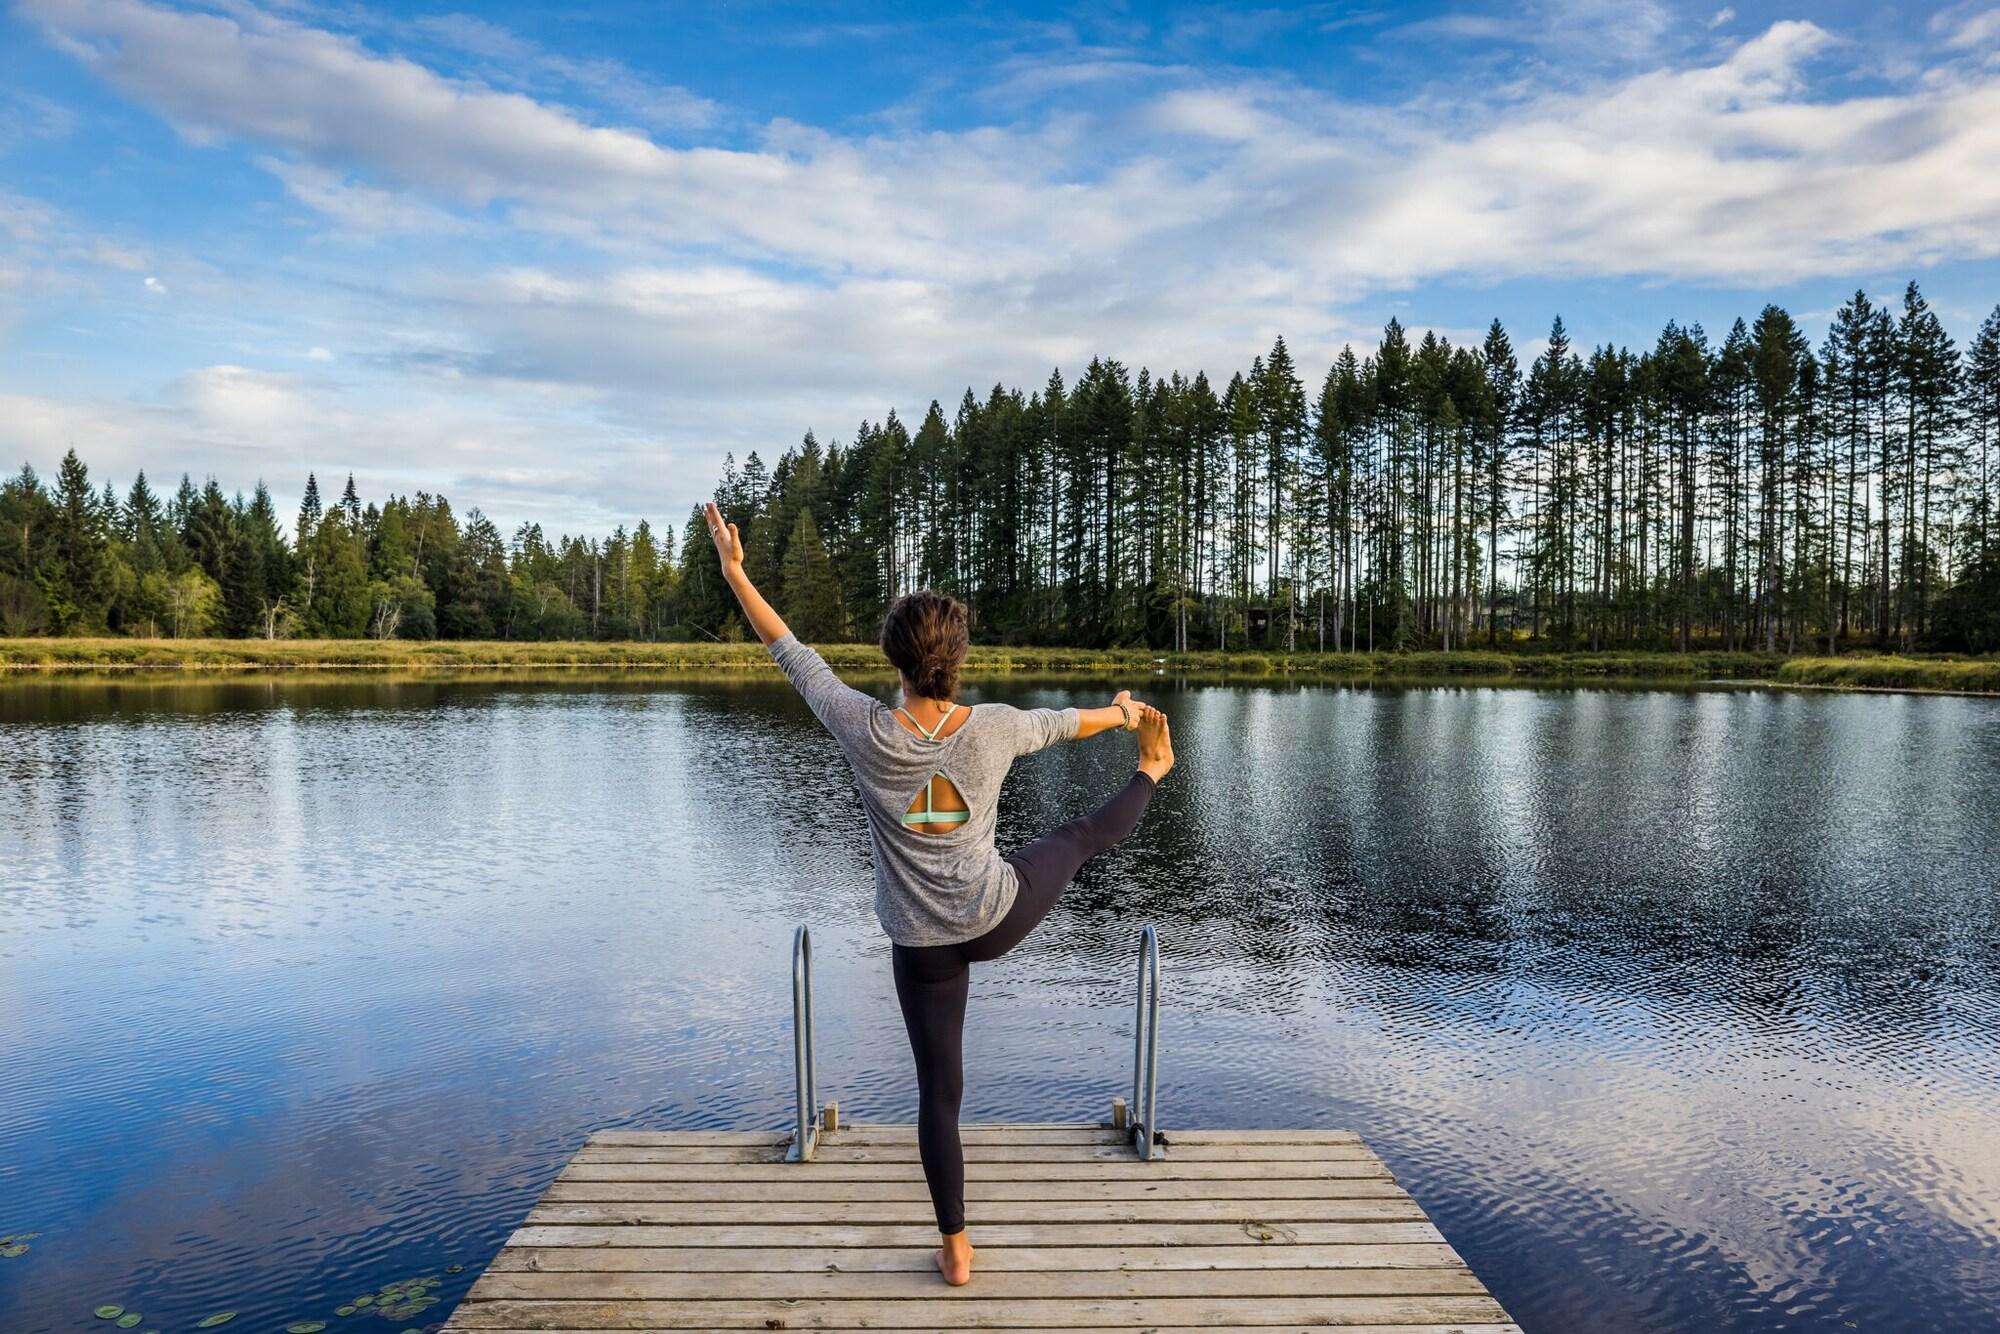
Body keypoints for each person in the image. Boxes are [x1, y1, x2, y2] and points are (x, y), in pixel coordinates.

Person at [704, 501, 1174, 1286]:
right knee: (1082, 837)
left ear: (894, 661)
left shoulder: (863, 726)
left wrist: (734, 571)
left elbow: (794, 655)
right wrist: (1126, 716)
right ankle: (1155, 776)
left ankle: (956, 1251)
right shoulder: (992, 726)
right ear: (958, 660)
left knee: (939, 1095)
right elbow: (1067, 723)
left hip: (920, 946)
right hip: (996, 913)